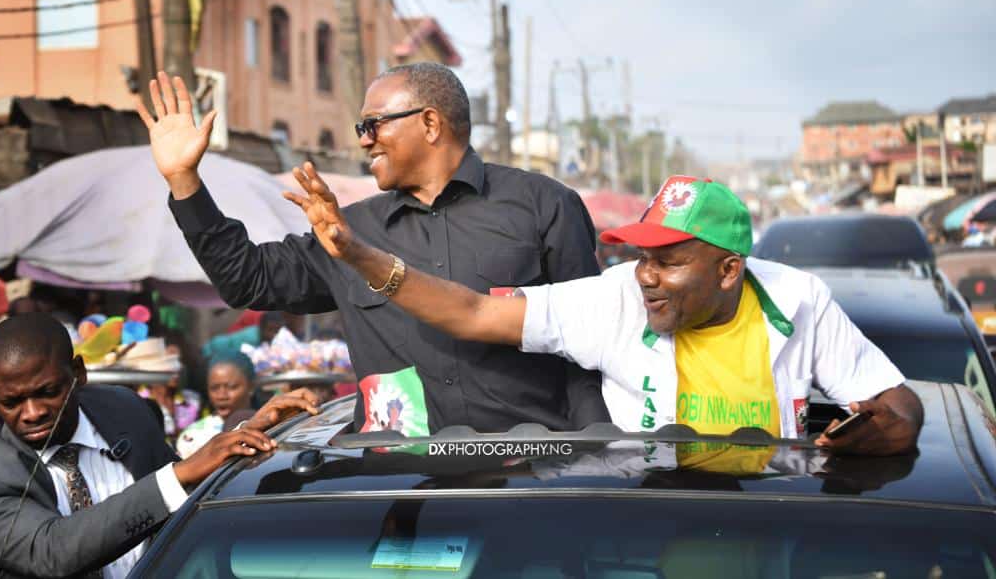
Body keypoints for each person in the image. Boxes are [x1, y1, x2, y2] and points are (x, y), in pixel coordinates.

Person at [284, 169, 924, 456]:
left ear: (730, 270)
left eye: (669, 262)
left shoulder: (798, 300)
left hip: (769, 536)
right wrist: (359, 256)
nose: (646, 277)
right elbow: (475, 315)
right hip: (634, 536)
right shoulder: (613, 296)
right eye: (642, 257)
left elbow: (896, 406)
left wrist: (877, 435)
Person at [137, 64, 609, 435]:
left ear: (429, 123)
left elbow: (586, 348)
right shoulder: (349, 231)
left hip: (530, 474)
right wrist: (184, 181)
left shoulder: (544, 206)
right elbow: (246, 279)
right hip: (399, 483)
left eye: (373, 124)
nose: (363, 140)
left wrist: (595, 464)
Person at [0, 313, 319, 578]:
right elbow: (54, 550)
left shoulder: (124, 410)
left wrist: (244, 435)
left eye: (48, 392)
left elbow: (183, 501)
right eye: (11, 402)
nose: (31, 413)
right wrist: (179, 473)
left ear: (78, 373)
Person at [176, 350, 258, 458]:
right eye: (214, 388)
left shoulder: (270, 426)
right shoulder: (192, 437)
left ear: (251, 387)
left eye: (231, 387)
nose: (221, 395)